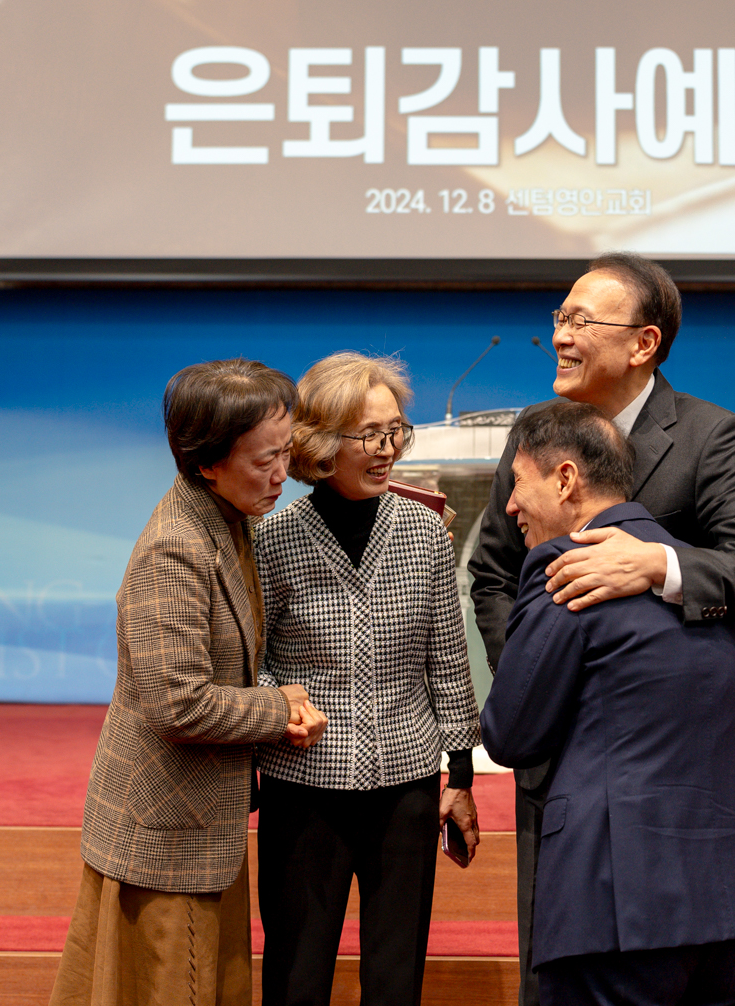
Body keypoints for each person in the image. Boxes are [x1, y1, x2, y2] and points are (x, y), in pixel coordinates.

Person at [468, 252, 735, 1006]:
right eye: (560, 318)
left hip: (680, 764)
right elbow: (494, 577)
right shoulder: (534, 433)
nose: (561, 336)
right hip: (563, 767)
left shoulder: (709, 435)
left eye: (581, 321)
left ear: (643, 343)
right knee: (558, 962)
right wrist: (541, 686)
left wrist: (657, 564)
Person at [49, 359, 328, 1006]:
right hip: (165, 832)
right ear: (206, 463)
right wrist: (277, 709)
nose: (282, 474)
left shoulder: (228, 516)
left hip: (198, 825)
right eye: (265, 460)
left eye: (286, 452)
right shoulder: (174, 548)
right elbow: (177, 703)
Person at [254, 352, 482, 1006]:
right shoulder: (272, 539)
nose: (387, 450)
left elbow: (448, 660)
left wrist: (460, 777)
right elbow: (251, 660)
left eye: (395, 431)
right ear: (321, 443)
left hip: (406, 789)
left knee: (395, 979)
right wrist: (278, 705)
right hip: (303, 789)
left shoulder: (425, 532)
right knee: (296, 976)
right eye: (370, 435)